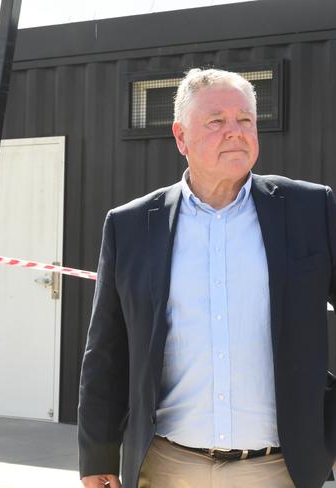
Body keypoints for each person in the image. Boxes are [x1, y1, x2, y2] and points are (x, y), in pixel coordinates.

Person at [78, 69, 336, 488]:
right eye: (216, 121)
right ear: (181, 137)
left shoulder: (311, 209)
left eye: (246, 120)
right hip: (166, 467)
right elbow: (106, 350)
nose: (235, 132)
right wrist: (97, 456)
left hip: (279, 470)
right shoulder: (130, 226)